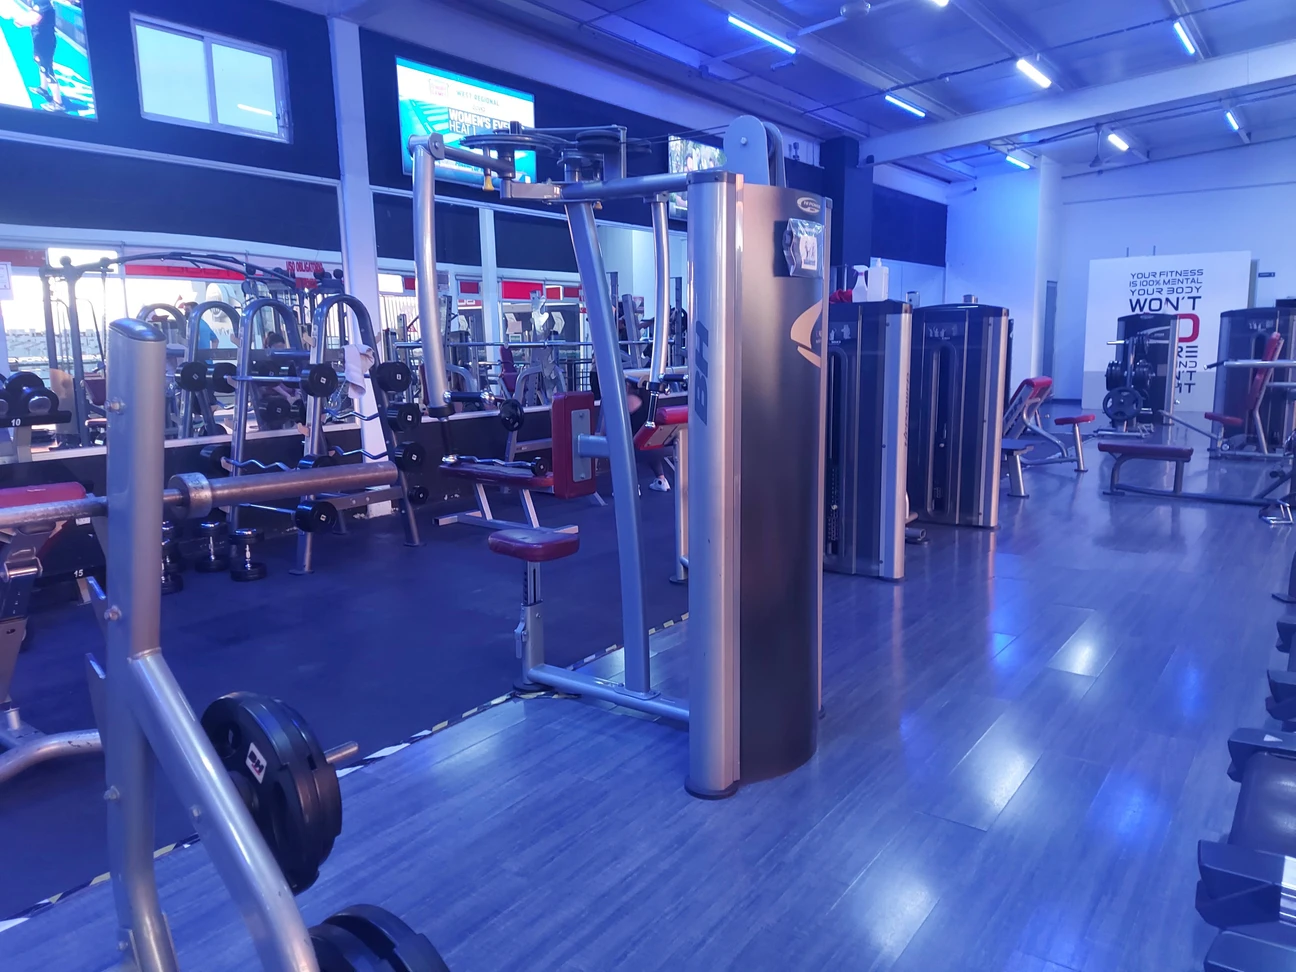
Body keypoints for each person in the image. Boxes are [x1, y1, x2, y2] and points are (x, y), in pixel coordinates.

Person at [3, 0, 65, 111]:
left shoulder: (42, 1)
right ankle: (43, 89)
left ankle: (58, 103)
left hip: (45, 40)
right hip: (39, 38)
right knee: (40, 63)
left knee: (47, 69)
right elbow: (33, 13)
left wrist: (19, 22)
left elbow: (35, 18)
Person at [627, 378, 670, 493]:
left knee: (621, 447)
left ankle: (632, 486)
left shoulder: (627, 400)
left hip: (637, 449)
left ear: (628, 385)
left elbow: (605, 430)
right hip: (657, 447)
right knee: (648, 441)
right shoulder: (650, 399)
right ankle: (661, 480)